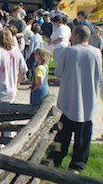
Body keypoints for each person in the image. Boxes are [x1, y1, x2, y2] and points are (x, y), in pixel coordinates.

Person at [46, 25, 101, 173]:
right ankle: (77, 163)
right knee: (83, 137)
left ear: (76, 35)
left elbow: (57, 73)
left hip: (68, 100)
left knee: (62, 134)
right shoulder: (96, 53)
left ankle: (56, 158)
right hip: (87, 100)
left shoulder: (69, 51)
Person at [0, 28, 27, 104]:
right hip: (11, 88)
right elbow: (23, 70)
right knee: (8, 112)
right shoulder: (16, 51)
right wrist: (17, 83)